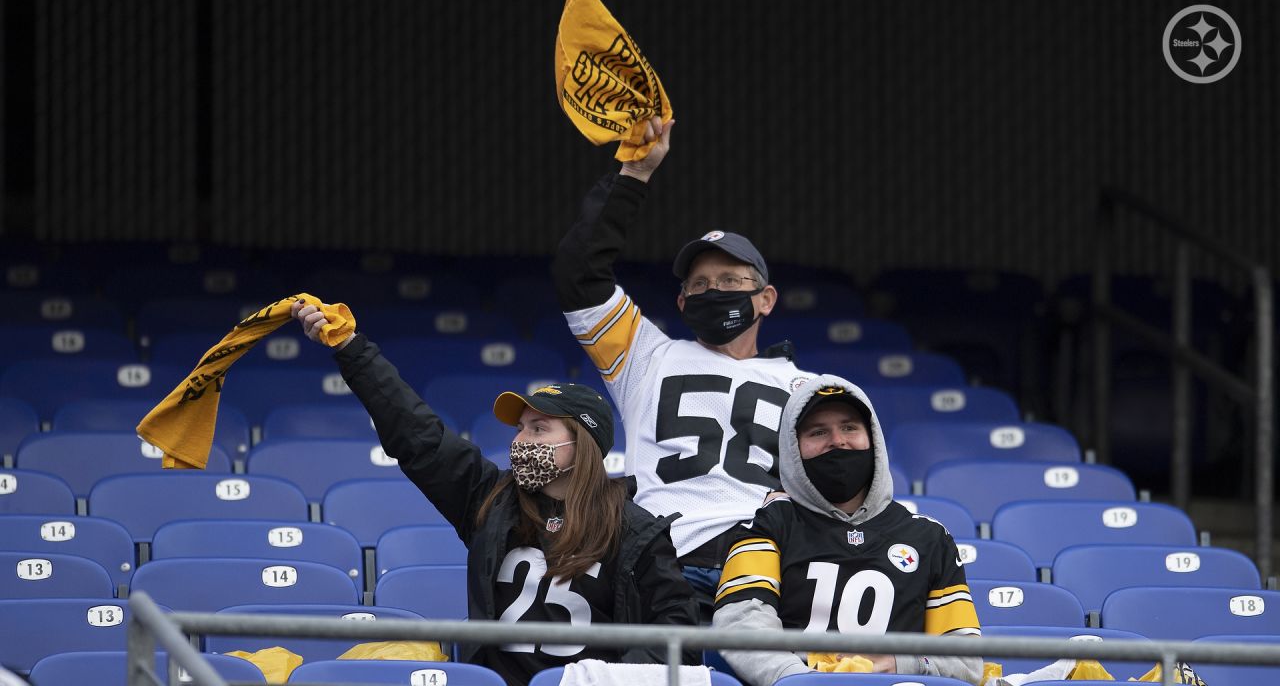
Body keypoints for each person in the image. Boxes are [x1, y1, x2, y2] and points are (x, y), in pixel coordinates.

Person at [291, 301, 699, 686]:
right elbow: (418, 437)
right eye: (520, 428)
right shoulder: (491, 500)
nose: (521, 441)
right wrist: (351, 349)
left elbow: (676, 633)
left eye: (539, 429)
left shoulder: (634, 530)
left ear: (583, 444)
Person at [552, 117, 814, 615]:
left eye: (731, 281)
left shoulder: (810, 387)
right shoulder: (644, 355)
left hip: (768, 568)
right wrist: (634, 174)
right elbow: (579, 274)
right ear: (681, 302)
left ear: (767, 299)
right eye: (700, 284)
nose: (714, 291)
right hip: (663, 565)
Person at [711, 374, 983, 686]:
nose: (838, 441)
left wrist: (898, 665)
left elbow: (965, 660)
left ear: (873, 439)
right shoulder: (767, 525)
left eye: (849, 427)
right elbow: (741, 624)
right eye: (818, 431)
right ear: (792, 447)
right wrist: (803, 681)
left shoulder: (931, 538)